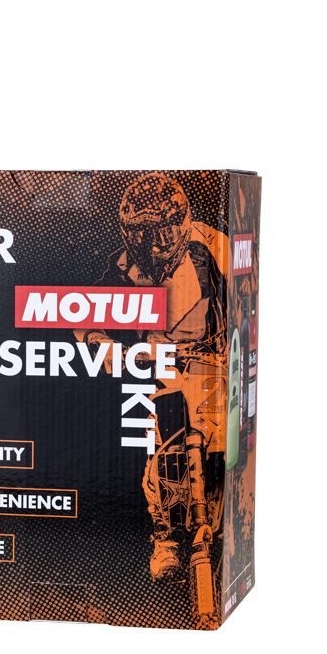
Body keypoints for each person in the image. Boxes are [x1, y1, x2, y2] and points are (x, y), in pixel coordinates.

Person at [79, 172, 227, 583]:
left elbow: (248, 293)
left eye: (163, 230)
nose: (155, 244)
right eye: (142, 233)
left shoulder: (214, 246)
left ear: (182, 223)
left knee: (221, 439)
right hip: (162, 367)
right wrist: (102, 345)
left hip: (214, 360)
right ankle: (166, 536)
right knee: (159, 448)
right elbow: (82, 311)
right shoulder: (123, 265)